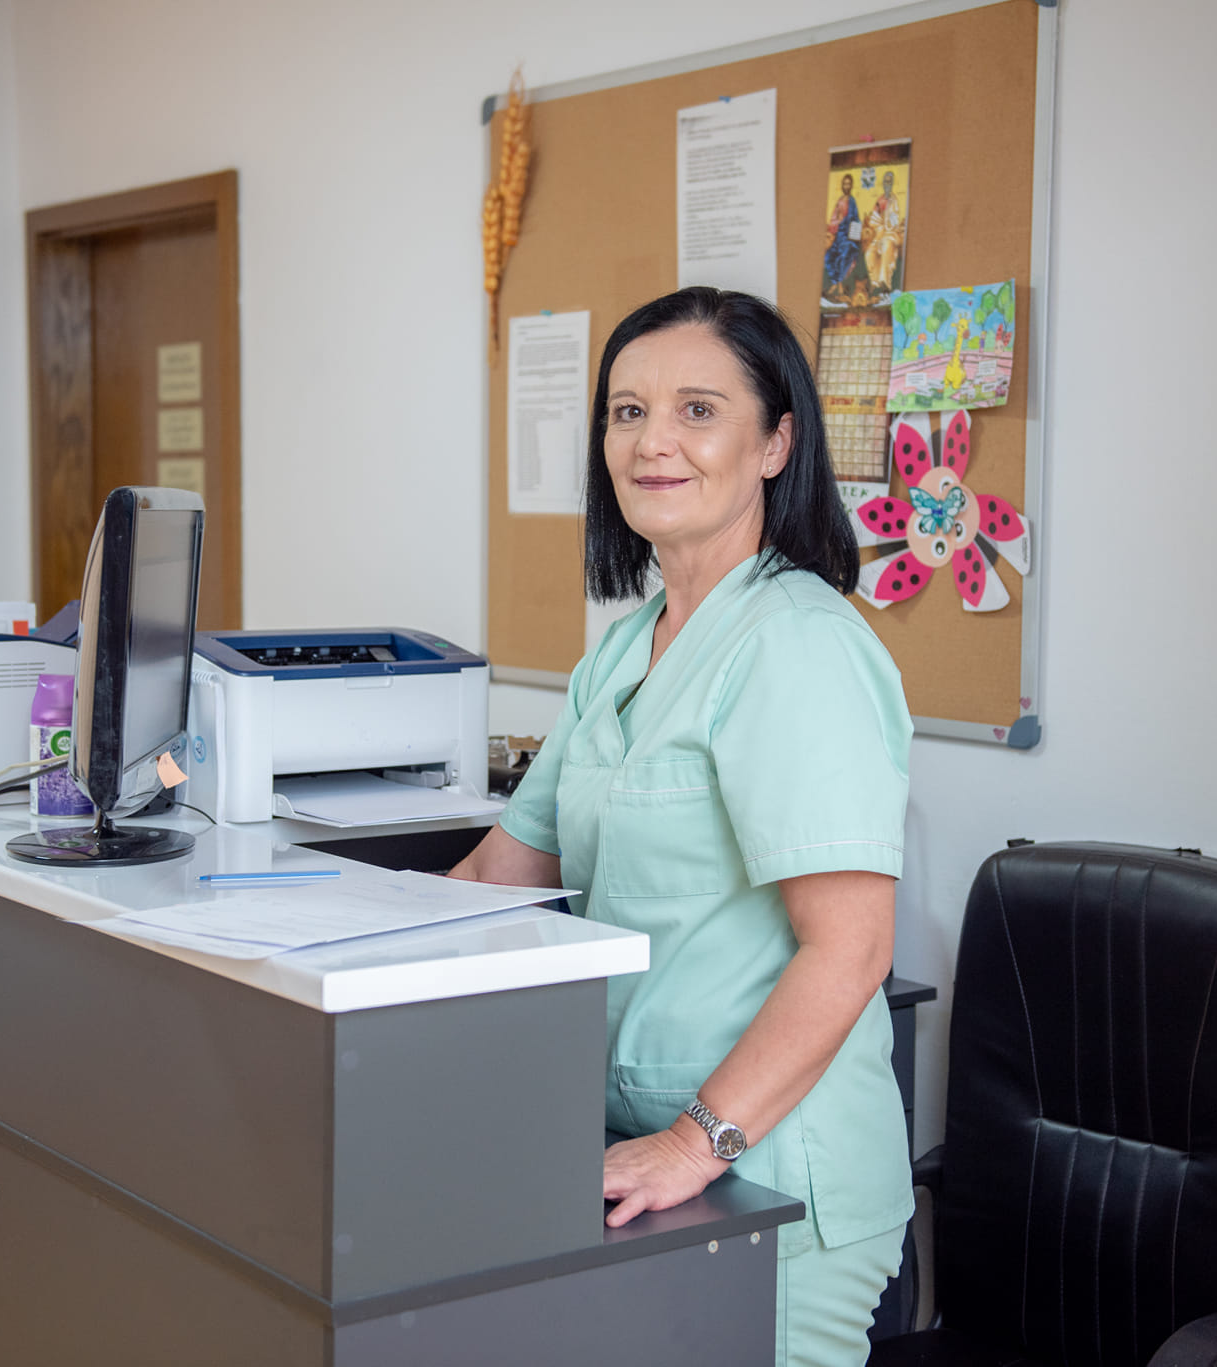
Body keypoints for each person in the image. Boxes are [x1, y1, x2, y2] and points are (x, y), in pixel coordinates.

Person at [451, 287, 913, 1367]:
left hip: (770, 1174)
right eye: (625, 411)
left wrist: (691, 1143)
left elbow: (850, 944)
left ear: (775, 442)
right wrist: (314, 950)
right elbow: (501, 871)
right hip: (650, 1160)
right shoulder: (622, 650)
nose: (652, 441)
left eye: (697, 410)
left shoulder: (795, 645)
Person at [822, 174, 864, 303]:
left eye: (848, 184)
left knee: (846, 251)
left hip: (849, 238)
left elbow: (856, 220)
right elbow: (833, 220)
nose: (846, 186)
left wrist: (854, 234)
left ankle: (840, 283)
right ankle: (835, 282)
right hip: (837, 236)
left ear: (851, 186)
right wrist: (838, 221)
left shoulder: (852, 202)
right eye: (844, 184)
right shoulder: (840, 201)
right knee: (828, 254)